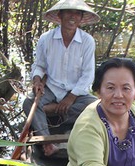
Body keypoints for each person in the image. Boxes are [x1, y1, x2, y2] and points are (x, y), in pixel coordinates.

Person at [23, 0, 99, 156]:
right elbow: (40, 66)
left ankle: (49, 110)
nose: (73, 17)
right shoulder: (46, 38)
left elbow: (88, 75)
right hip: (52, 89)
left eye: (77, 13)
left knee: (99, 106)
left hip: (76, 94)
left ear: (81, 18)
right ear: (60, 15)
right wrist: (37, 80)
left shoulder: (87, 41)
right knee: (29, 103)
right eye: (69, 12)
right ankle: (48, 142)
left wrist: (70, 98)